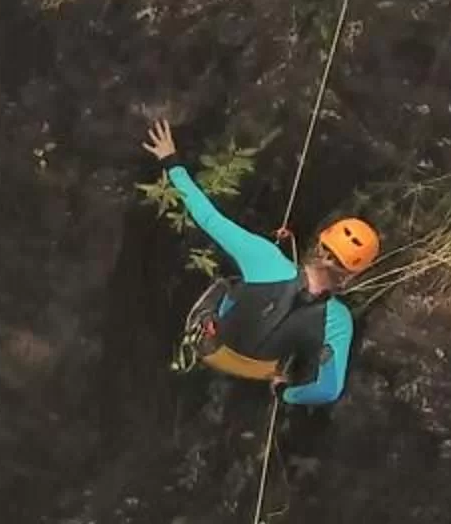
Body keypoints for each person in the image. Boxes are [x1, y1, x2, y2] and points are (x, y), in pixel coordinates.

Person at [142, 117, 377, 407]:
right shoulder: (339, 321)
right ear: (353, 274)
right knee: (301, 350)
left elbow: (209, 218)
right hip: (258, 372)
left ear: (319, 244)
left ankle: (198, 340)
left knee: (227, 284)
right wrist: (285, 392)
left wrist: (171, 162)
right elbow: (329, 390)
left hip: (212, 347)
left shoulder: (267, 259)